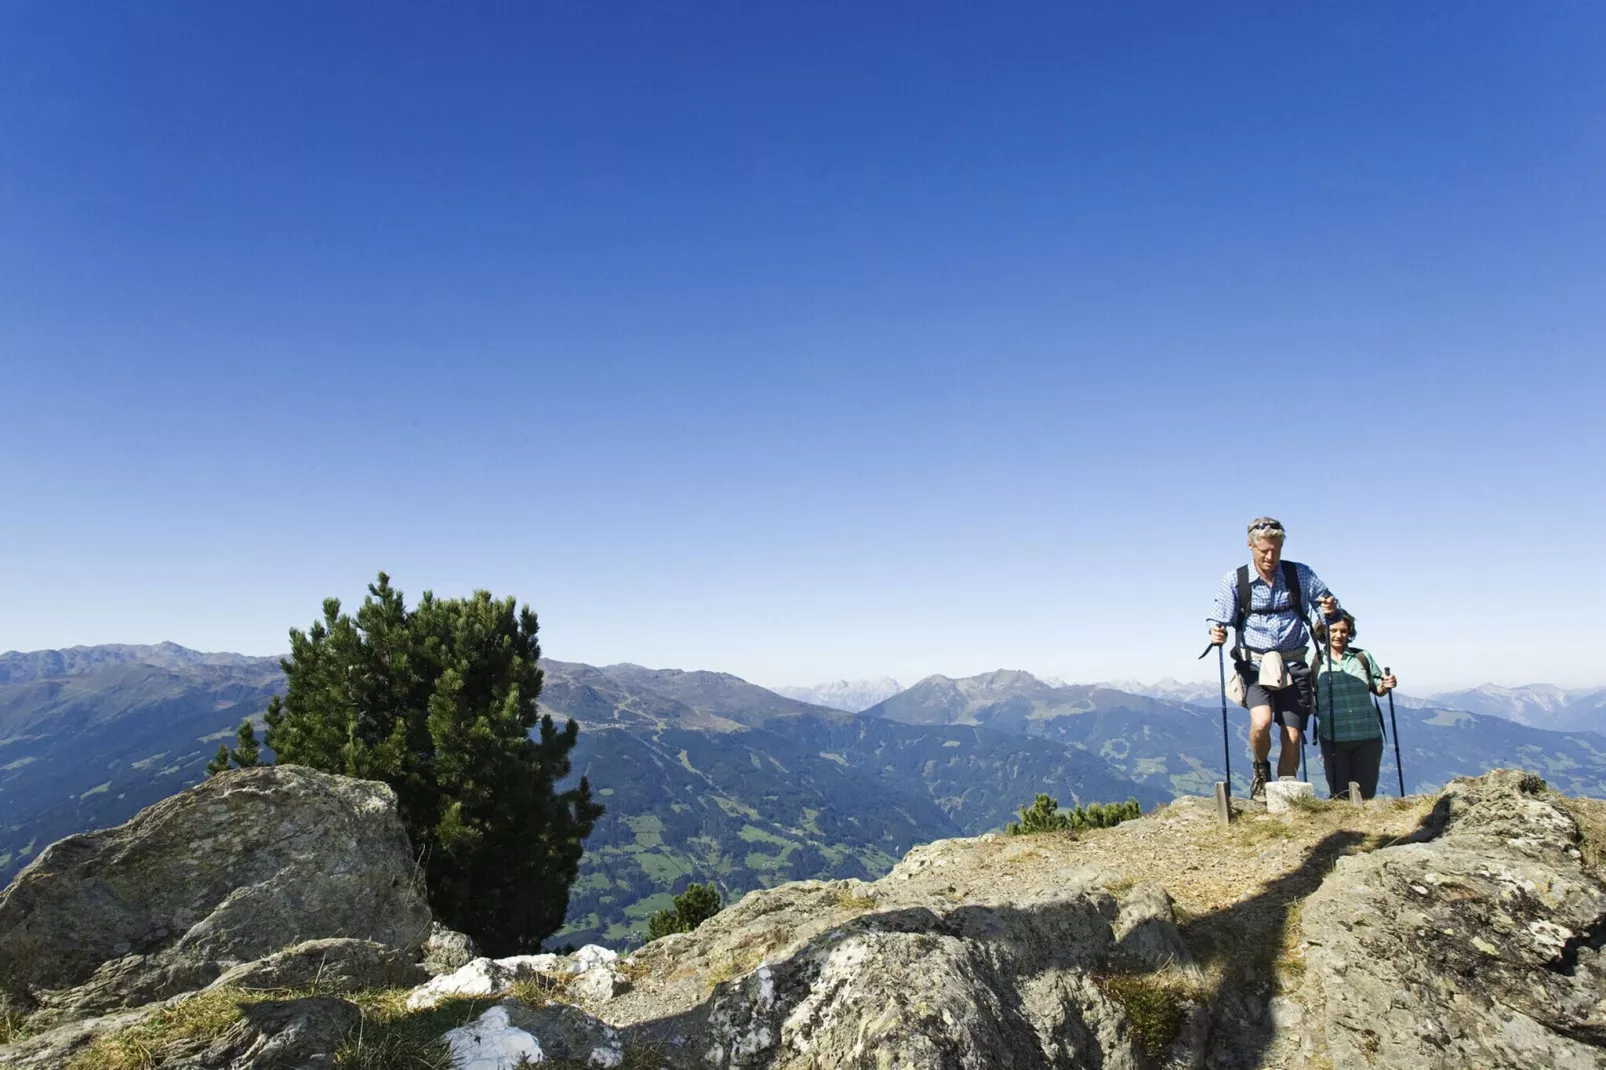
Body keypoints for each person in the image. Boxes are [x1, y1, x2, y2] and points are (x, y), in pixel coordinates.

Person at [1208, 517, 1342, 801]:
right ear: (1250, 546)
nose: (1270, 557)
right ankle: (1260, 771)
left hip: (1294, 665)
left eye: (1276, 551)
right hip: (1255, 666)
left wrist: (1330, 610)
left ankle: (1286, 792)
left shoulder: (1300, 575)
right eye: (1264, 551)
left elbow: (1329, 608)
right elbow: (1220, 617)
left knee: (1293, 736)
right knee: (1261, 723)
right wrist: (1216, 631)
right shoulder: (1236, 580)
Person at [1312, 612, 1398, 799]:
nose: (1338, 635)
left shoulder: (1362, 657)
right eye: (1333, 630)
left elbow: (1378, 688)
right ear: (1323, 632)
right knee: (1340, 796)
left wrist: (1386, 683)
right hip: (1333, 740)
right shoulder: (1316, 662)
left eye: (1343, 630)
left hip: (1367, 737)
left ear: (1349, 632)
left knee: (1366, 797)